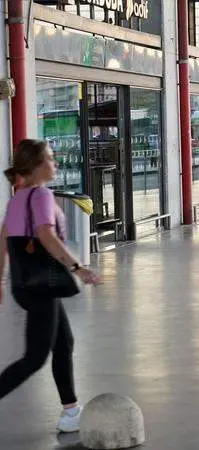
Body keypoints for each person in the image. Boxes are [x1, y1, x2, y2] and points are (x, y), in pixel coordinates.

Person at [0, 139, 101, 433]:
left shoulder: (18, 197)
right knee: (34, 358)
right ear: (36, 165)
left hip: (26, 285)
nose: (55, 164)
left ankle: (71, 412)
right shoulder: (41, 196)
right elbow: (45, 235)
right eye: (50, 159)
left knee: (64, 343)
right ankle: (70, 411)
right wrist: (78, 268)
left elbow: (4, 237)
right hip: (43, 284)